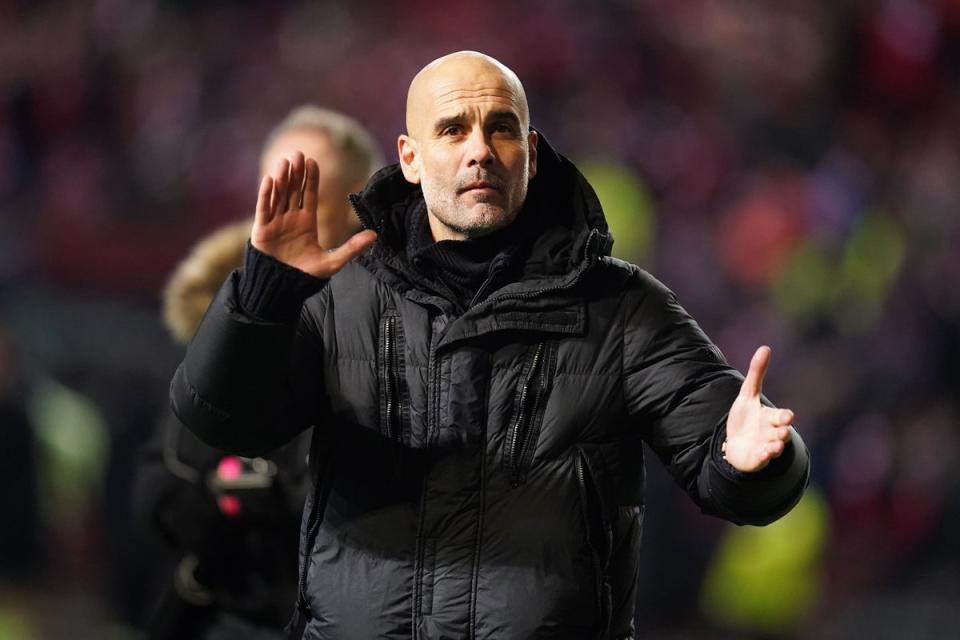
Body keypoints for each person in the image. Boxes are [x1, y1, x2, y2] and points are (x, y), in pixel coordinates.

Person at [171, 52, 810, 639]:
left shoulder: (619, 308)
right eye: (452, 130)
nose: (481, 149)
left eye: (501, 128)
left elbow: (726, 467)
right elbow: (226, 422)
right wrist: (260, 301)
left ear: (530, 151)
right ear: (410, 157)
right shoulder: (338, 297)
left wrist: (754, 463)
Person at [139, 106, 382, 640]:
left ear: (359, 197)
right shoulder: (223, 319)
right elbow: (160, 479)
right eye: (275, 188)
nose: (286, 208)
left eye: (307, 188)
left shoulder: (394, 324)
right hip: (238, 615)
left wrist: (291, 497)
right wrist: (212, 501)